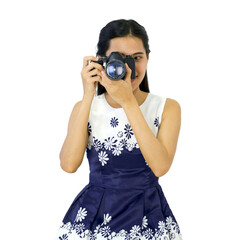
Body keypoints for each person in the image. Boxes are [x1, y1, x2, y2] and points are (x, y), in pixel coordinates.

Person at [55, 19, 183, 240]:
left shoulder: (167, 108)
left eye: (137, 58)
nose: (128, 68)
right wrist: (88, 95)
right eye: (120, 58)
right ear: (102, 61)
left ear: (148, 59)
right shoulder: (84, 107)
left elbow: (161, 167)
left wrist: (129, 103)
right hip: (95, 217)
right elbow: (68, 165)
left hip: (147, 216)